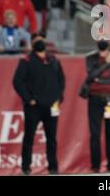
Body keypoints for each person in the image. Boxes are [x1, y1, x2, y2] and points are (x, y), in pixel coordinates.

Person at [12, 32, 66, 175]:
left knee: (52, 139)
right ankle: (26, 168)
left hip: (51, 106)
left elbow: (61, 79)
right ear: (32, 43)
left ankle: (53, 168)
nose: (40, 42)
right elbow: (17, 82)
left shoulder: (53, 60)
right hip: (33, 107)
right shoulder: (26, 60)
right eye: (36, 40)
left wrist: (59, 97)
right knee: (29, 137)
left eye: (42, 40)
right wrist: (28, 99)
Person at [81, 40, 110, 173]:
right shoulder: (90, 58)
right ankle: (95, 166)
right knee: (95, 134)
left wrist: (100, 80)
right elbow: (90, 76)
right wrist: (107, 63)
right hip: (95, 99)